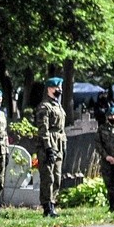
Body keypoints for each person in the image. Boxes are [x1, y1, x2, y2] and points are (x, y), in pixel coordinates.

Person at [35, 77, 66, 217]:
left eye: (60, 87)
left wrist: (63, 145)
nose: (59, 90)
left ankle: (53, 202)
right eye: (57, 87)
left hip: (58, 144)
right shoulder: (44, 107)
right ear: (49, 89)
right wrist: (48, 148)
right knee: (48, 177)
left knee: (57, 177)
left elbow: (61, 129)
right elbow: (43, 129)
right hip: (47, 145)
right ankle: (47, 206)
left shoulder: (58, 105)